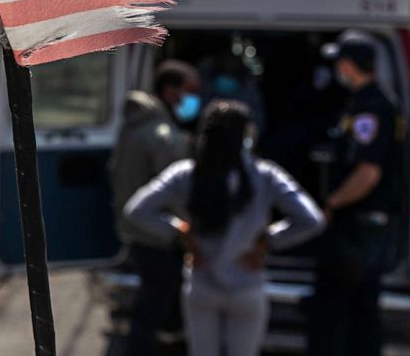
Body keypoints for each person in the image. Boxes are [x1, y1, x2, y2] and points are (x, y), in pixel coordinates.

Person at [124, 100, 326, 356]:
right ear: (246, 135)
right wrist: (268, 240)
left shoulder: (185, 173)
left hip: (201, 283)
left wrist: (179, 232)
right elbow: (312, 219)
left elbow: (136, 211)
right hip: (247, 285)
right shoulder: (266, 175)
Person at [308, 37, 401, 356]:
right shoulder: (362, 102)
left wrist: (332, 204)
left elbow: (367, 173)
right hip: (360, 227)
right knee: (358, 311)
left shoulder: (371, 107)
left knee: (340, 311)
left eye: (339, 64)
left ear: (347, 66)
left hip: (358, 228)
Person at [109, 60, 199, 356]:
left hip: (139, 232)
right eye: (190, 91)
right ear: (170, 91)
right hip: (160, 235)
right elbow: (176, 193)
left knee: (153, 302)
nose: (194, 97)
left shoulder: (134, 126)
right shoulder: (163, 135)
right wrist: (188, 231)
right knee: (154, 306)